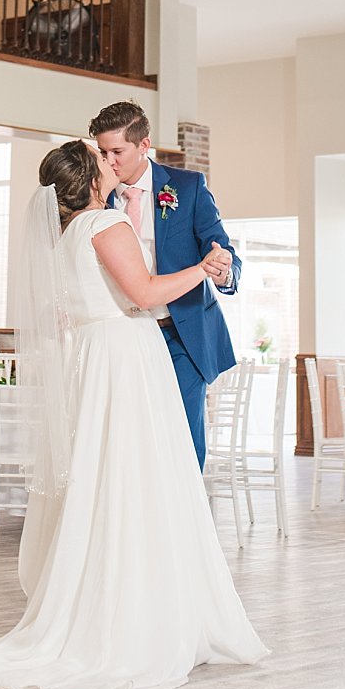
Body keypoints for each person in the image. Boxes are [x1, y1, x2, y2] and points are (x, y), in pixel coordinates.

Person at [0, 141, 268, 689]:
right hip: (125, 360)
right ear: (91, 178)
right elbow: (143, 295)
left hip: (99, 360)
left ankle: (120, 604)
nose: (112, 164)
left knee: (110, 482)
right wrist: (202, 269)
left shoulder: (67, 234)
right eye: (103, 159)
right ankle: (140, 620)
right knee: (139, 482)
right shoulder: (107, 222)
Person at [90, 101, 241, 465]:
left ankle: (187, 520)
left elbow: (220, 247)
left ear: (144, 146)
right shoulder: (96, 196)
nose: (109, 161)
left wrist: (223, 270)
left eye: (117, 151)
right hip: (125, 336)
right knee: (132, 439)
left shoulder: (187, 187)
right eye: (103, 152)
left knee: (184, 438)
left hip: (181, 333)